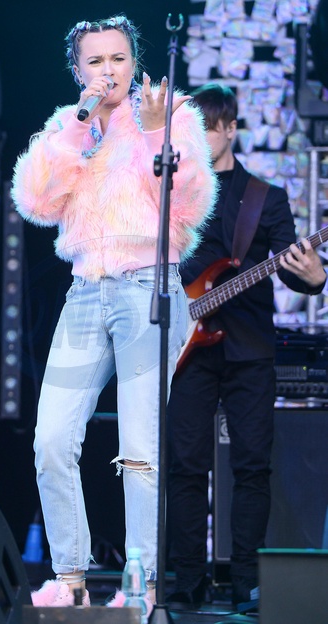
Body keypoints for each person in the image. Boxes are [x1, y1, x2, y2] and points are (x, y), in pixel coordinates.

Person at [11, 15, 217, 608]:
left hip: (146, 290)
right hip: (84, 293)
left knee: (139, 447)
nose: (109, 71)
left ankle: (140, 587)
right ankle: (70, 580)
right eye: (96, 61)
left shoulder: (169, 114)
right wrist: (77, 128)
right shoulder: (68, 125)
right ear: (78, 70)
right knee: (51, 440)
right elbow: (35, 202)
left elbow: (190, 207)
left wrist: (154, 136)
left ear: (135, 61)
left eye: (119, 59)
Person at [166, 83, 327, 610]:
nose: (198, 139)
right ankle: (187, 583)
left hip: (249, 348)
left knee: (252, 467)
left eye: (208, 129)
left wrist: (315, 277)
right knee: (187, 467)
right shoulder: (173, 193)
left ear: (231, 129)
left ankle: (246, 584)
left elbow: (294, 268)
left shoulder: (266, 197)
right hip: (185, 347)